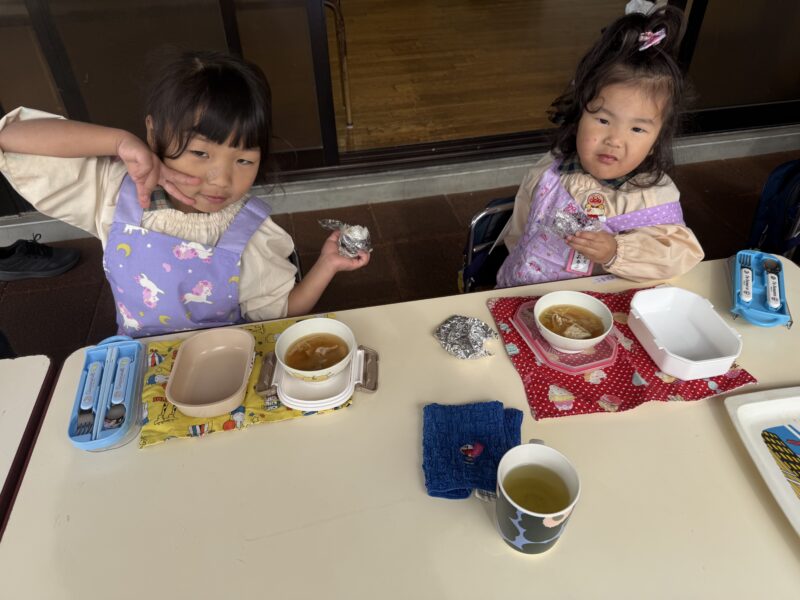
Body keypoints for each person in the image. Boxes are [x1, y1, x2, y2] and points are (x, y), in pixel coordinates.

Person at [0, 50, 369, 337]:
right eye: (200, 153)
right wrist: (119, 141)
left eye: (244, 160)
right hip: (142, 368)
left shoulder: (250, 231)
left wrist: (327, 265)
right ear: (153, 131)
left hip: (227, 365)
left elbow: (280, 312)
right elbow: (11, 138)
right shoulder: (113, 193)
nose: (221, 180)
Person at [496, 6, 703, 288]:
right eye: (603, 120)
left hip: (593, 305)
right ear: (578, 116)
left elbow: (678, 255)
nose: (614, 139)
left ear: (657, 141)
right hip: (519, 289)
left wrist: (615, 251)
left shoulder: (650, 196)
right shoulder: (552, 170)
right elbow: (521, 227)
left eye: (637, 129)